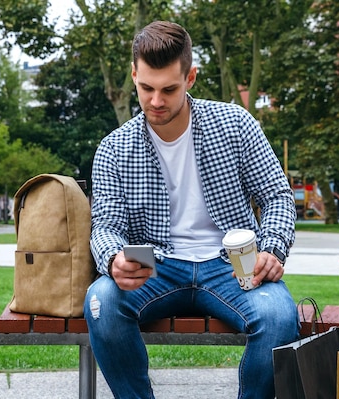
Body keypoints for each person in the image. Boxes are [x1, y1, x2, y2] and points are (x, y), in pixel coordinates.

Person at [84, 20, 299, 398]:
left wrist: (272, 248)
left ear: (191, 78)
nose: (155, 101)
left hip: (232, 262)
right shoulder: (114, 148)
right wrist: (114, 258)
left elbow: (277, 196)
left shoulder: (235, 124)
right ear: (134, 74)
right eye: (146, 87)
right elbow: (105, 225)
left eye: (169, 88)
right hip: (155, 263)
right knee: (101, 300)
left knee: (280, 317)